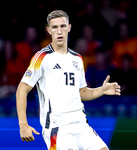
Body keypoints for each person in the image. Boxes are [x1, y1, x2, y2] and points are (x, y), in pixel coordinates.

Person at [16, 10, 121, 150]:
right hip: (57, 126)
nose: (59, 31)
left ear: (69, 28)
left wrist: (101, 90)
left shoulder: (77, 58)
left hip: (81, 124)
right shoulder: (41, 57)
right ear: (49, 30)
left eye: (62, 26)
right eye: (54, 27)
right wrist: (23, 124)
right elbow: (22, 89)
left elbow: (81, 92)